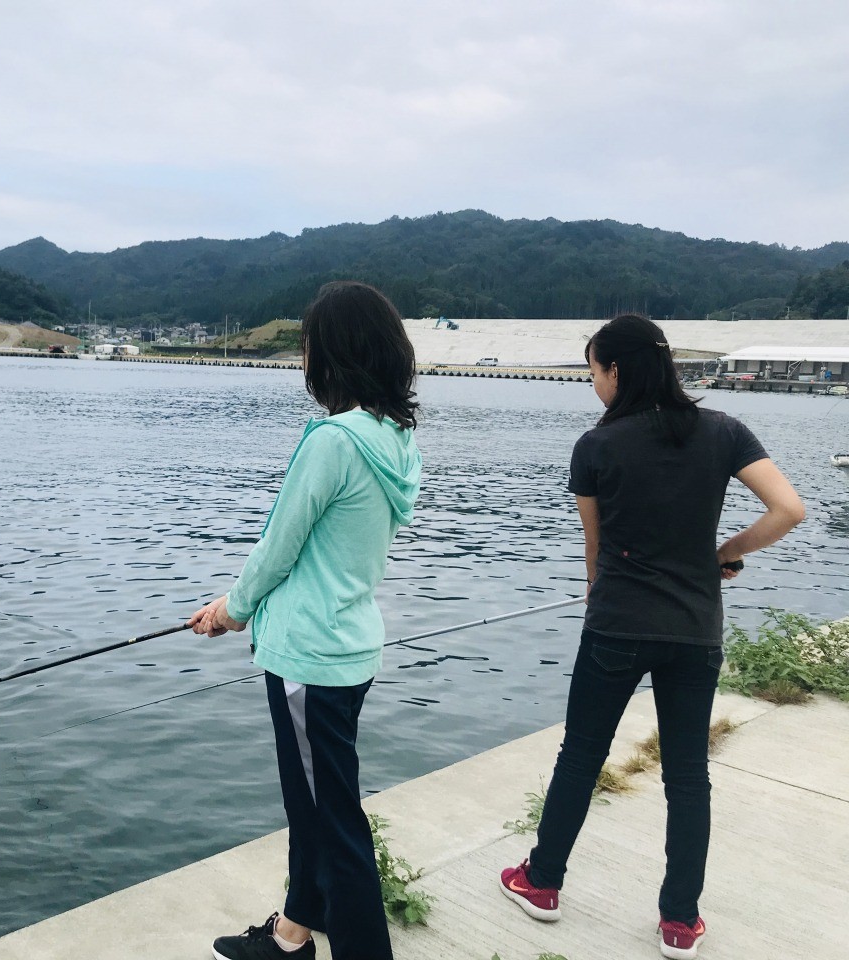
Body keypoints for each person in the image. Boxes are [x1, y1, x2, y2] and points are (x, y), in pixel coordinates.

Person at [498, 314, 805, 960]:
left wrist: (600, 596)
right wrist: (723, 551)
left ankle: (543, 881)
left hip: (616, 622)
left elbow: (596, 550)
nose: (593, 385)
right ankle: (678, 922)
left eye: (593, 372)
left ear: (616, 370)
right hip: (695, 628)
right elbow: (789, 510)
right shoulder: (723, 431)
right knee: (688, 775)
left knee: (580, 756)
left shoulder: (597, 446)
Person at [189, 281, 422, 960]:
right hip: (348, 646)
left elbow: (279, 544)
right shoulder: (394, 438)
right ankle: (293, 934)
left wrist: (231, 610)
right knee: (315, 808)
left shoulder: (332, 442)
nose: (304, 360)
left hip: (310, 660)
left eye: (308, 346)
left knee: (332, 822)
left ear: (334, 354)